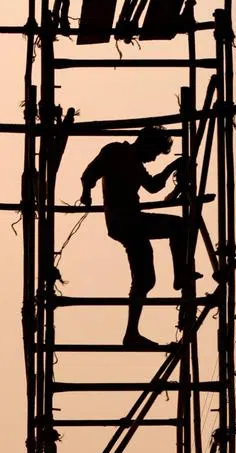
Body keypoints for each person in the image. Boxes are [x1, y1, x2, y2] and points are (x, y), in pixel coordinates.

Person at [80, 125, 192, 348]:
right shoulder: (115, 152)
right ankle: (181, 274)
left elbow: (152, 187)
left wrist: (171, 167)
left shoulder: (135, 164)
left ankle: (132, 333)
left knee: (145, 279)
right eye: (155, 153)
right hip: (127, 221)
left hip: (130, 223)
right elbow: (89, 174)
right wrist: (86, 193)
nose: (153, 159)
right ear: (145, 142)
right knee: (179, 226)